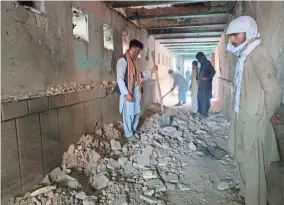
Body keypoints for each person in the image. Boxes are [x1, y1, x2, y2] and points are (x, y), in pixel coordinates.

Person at [226, 16, 283, 205]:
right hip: (240, 116)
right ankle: (245, 193)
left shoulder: (259, 54)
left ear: (248, 32)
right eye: (230, 36)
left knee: (254, 165)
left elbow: (273, 90)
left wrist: (263, 116)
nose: (232, 40)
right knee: (241, 157)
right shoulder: (245, 55)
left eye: (235, 35)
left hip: (253, 119)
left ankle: (255, 200)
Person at [116, 39, 157, 142]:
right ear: (133, 48)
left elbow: (139, 75)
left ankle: (133, 130)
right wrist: (126, 93)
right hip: (128, 91)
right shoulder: (122, 61)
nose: (138, 53)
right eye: (138, 51)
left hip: (136, 90)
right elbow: (120, 78)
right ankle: (128, 134)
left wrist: (151, 72)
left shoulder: (134, 62)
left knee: (137, 112)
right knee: (129, 114)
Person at [195, 52, 215, 117]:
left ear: (202, 57)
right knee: (200, 98)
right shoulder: (203, 64)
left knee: (205, 98)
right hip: (201, 85)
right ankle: (200, 111)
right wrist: (198, 77)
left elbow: (213, 71)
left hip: (206, 85)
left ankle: (204, 113)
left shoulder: (207, 63)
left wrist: (207, 78)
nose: (198, 61)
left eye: (198, 59)